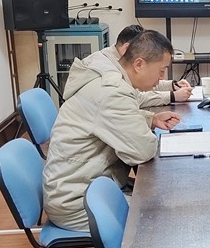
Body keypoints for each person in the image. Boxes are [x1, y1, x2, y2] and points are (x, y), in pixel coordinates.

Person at [43, 30, 181, 232]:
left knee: (158, 202)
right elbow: (142, 151)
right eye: (161, 70)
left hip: (82, 187)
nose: (162, 78)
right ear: (139, 64)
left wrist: (150, 119)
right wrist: (147, 127)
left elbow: (108, 118)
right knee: (162, 216)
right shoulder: (112, 91)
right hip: (77, 204)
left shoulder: (109, 80)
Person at [95, 25, 192, 105]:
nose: (161, 77)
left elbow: (145, 81)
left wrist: (172, 85)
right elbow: (136, 97)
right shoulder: (108, 73)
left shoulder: (117, 62)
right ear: (128, 48)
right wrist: (172, 96)